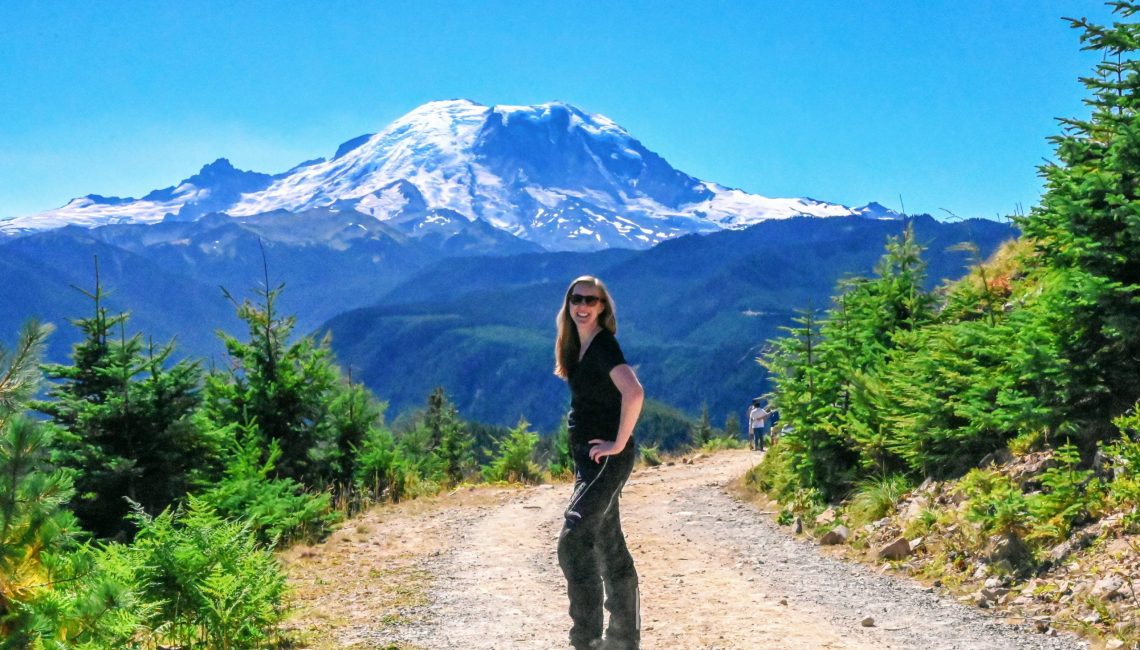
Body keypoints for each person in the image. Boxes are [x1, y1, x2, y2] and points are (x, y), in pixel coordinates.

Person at [554, 275, 645, 650]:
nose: (583, 305)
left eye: (591, 300)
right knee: (608, 543)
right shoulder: (578, 344)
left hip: (607, 460)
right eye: (576, 298)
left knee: (575, 539)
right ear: (569, 303)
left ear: (603, 306)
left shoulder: (604, 346)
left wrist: (618, 443)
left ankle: (586, 641)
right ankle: (624, 639)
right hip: (591, 462)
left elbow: (634, 392)